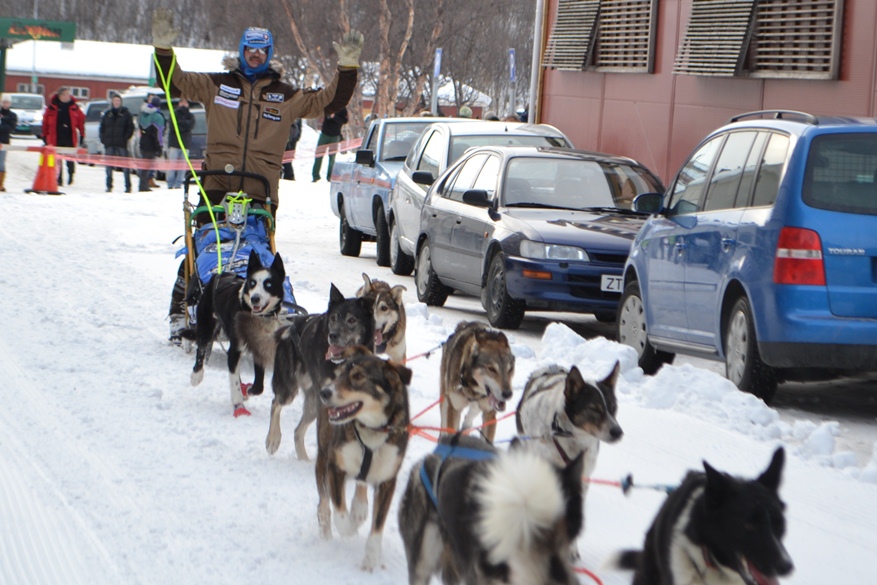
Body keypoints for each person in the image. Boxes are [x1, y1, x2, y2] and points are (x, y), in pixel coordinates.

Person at [151, 8, 362, 343]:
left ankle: (279, 308)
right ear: (241, 51)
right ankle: (181, 310)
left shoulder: (286, 96)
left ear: (269, 54)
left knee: (259, 252)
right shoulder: (216, 85)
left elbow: (328, 101)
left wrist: (347, 68)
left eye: (262, 50)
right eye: (250, 49)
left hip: (260, 193)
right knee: (203, 247)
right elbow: (173, 83)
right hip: (216, 187)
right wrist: (163, 51)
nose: (255, 54)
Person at [43, 87, 85, 185]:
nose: (68, 96)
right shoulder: (52, 107)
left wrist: (82, 134)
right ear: (60, 95)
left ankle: (71, 175)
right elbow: (45, 123)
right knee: (57, 158)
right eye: (65, 94)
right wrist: (44, 135)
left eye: (69, 94)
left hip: (69, 136)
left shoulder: (74, 107)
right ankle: (59, 178)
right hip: (56, 136)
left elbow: (81, 122)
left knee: (70, 158)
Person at [99, 93, 135, 193]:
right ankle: (109, 186)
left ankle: (128, 186)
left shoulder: (126, 114)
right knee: (108, 166)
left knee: (125, 166)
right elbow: (102, 128)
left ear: (121, 102)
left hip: (121, 143)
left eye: (118, 101)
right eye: (115, 101)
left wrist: (125, 138)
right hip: (109, 143)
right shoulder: (107, 114)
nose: (116, 102)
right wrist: (103, 139)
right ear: (112, 102)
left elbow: (130, 128)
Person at [311, 106, 348, 182]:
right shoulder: (329, 105)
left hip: (335, 136)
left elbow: (344, 120)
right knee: (318, 155)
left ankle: (329, 176)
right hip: (324, 134)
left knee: (332, 158)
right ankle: (315, 176)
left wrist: (334, 117)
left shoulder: (342, 108)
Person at [138, 96, 165, 192]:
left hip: (143, 143)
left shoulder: (143, 114)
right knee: (147, 166)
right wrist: (160, 146)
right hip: (152, 145)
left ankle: (143, 184)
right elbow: (158, 134)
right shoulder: (157, 116)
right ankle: (143, 186)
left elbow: (140, 128)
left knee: (144, 166)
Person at [166, 97, 195, 189]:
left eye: (185, 103)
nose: (184, 105)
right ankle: (170, 184)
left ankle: (178, 184)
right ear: (179, 104)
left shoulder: (191, 115)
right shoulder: (173, 114)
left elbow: (191, 125)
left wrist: (181, 124)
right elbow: (174, 127)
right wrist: (184, 126)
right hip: (174, 143)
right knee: (172, 165)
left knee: (183, 166)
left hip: (186, 144)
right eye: (182, 102)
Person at [0, 96, 18, 192]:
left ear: (10, 104)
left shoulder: (12, 115)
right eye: (3, 102)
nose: (5, 104)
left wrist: (3, 122)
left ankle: (0, 183)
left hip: (4, 141)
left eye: (7, 102)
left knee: (1, 163)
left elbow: (11, 128)